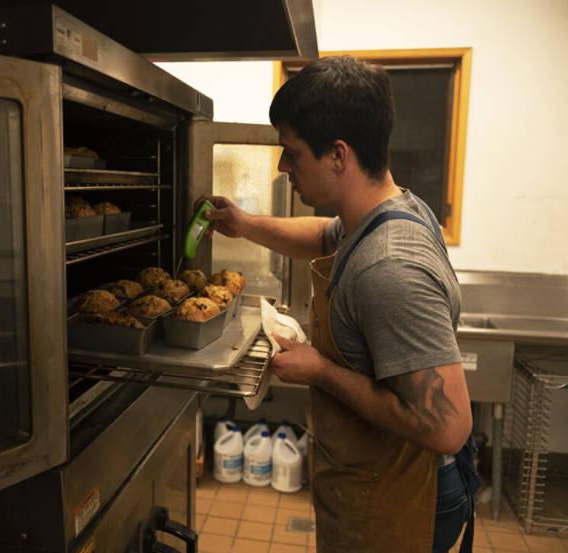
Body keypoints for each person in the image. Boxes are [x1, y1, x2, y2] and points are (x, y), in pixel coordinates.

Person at [197, 56, 479, 553]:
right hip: (370, 479)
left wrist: (321, 371)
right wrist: (245, 226)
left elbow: (448, 426)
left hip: (402, 497)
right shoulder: (382, 211)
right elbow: (325, 236)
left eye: (293, 153)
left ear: (338, 155)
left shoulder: (390, 269)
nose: (284, 167)